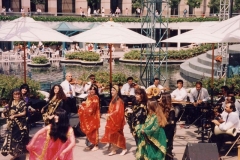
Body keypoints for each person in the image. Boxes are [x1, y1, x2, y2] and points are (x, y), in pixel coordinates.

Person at [1, 88, 29, 159]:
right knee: (11, 139)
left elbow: (24, 113)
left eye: (18, 94)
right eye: (15, 94)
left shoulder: (22, 102)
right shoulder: (11, 102)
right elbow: (6, 110)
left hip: (20, 125)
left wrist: (14, 115)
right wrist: (4, 114)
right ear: (13, 95)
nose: (17, 96)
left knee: (18, 140)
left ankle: (17, 155)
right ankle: (14, 154)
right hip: (12, 124)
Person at [100, 85, 127, 156]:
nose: (112, 91)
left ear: (117, 91)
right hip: (112, 120)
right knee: (112, 135)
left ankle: (124, 148)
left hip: (117, 121)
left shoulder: (119, 100)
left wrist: (109, 115)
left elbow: (117, 111)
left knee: (119, 135)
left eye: (113, 90)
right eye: (111, 90)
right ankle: (114, 149)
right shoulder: (113, 99)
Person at [78, 84, 100, 151]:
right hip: (88, 117)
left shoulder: (95, 98)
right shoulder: (89, 96)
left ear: (96, 91)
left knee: (93, 130)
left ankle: (96, 145)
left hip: (93, 116)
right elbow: (88, 104)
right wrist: (83, 104)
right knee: (88, 131)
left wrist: (83, 108)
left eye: (94, 89)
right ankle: (90, 144)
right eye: (91, 89)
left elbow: (92, 108)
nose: (92, 90)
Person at [160, 93, 175, 160]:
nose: (159, 99)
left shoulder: (171, 109)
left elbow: (172, 122)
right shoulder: (160, 107)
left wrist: (162, 124)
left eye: (161, 98)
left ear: (164, 99)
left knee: (167, 146)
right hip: (162, 129)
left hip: (168, 130)